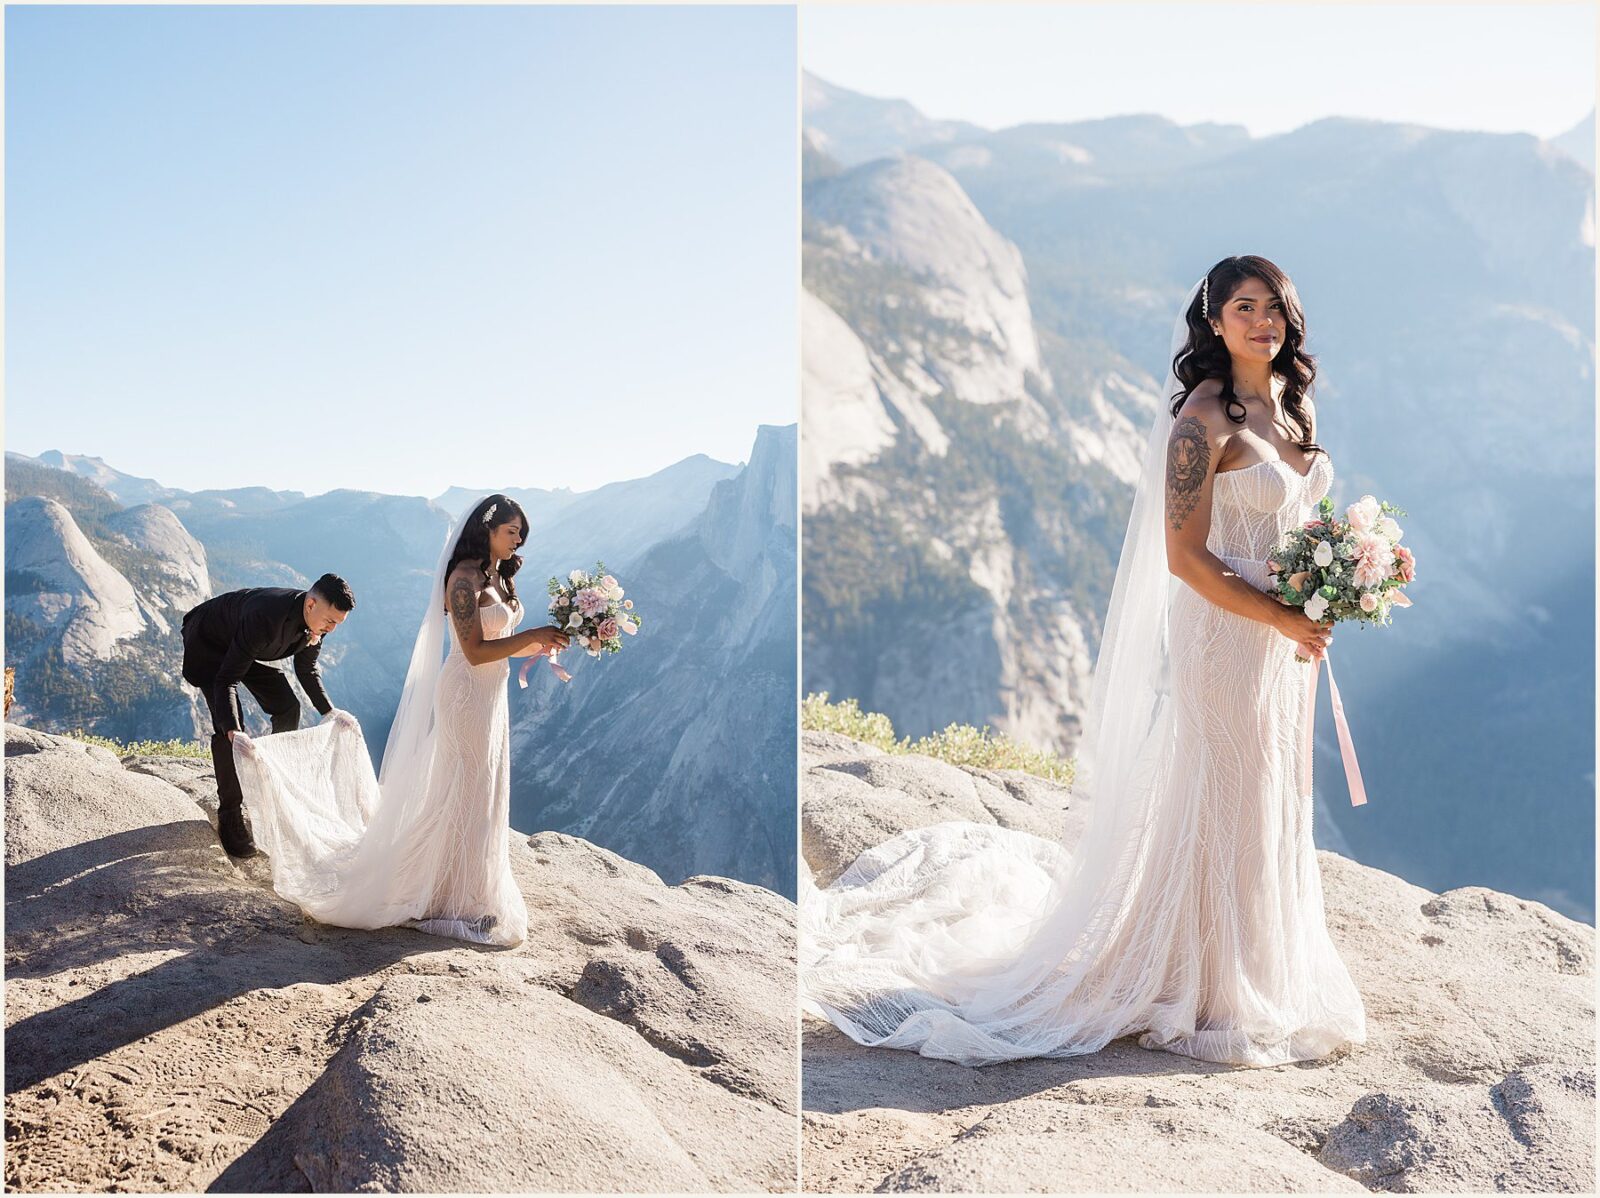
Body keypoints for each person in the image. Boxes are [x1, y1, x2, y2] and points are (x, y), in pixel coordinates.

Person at [800, 256, 1367, 1068]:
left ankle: (1255, 967)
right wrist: (1282, 613)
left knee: (1271, 791)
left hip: (1280, 643)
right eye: (1244, 307)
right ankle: (1210, 990)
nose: (1262, 322)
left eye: (1274, 307)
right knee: (1232, 796)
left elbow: (1290, 528)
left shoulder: (1285, 404)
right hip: (1227, 641)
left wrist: (1328, 591)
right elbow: (1184, 559)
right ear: (1212, 321)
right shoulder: (1200, 424)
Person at [228, 495, 569, 947]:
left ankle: (470, 887)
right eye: (511, 531)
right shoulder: (463, 581)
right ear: (486, 530)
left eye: (521, 532)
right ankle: (447, 894)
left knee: (482, 789)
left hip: (492, 697)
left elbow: (501, 641)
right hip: (466, 695)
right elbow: (473, 651)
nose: (519, 539)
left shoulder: (498, 579)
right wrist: (531, 635)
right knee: (463, 789)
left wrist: (542, 645)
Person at [180, 575, 355, 857]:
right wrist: (234, 730)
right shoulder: (265, 616)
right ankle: (229, 815)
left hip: (241, 647)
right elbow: (226, 680)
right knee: (229, 732)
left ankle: (269, 784)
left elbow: (307, 670)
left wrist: (330, 712)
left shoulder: (316, 624)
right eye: (330, 621)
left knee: (288, 708)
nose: (331, 629)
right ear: (311, 604)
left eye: (337, 624)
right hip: (209, 645)